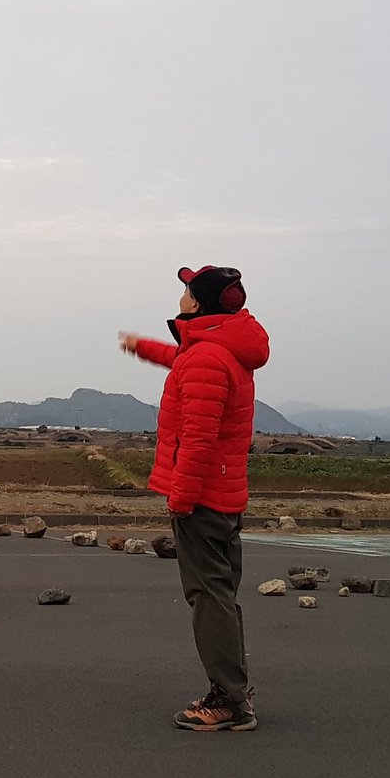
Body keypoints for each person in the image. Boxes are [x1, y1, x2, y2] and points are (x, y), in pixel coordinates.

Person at [119, 265, 270, 731]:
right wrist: (143, 347)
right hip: (224, 493)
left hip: (203, 498)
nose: (181, 297)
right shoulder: (220, 349)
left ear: (199, 303)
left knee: (208, 595)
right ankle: (234, 688)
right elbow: (184, 360)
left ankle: (228, 700)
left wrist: (180, 498)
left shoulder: (207, 358)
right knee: (219, 593)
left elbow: (198, 439)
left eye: (186, 291)